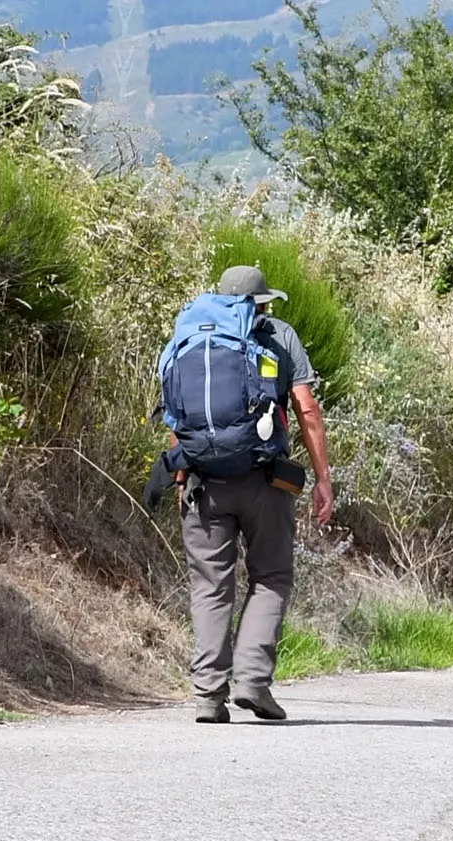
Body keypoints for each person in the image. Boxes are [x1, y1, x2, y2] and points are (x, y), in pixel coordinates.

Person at [152, 266, 335, 724]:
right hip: (263, 479)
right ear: (263, 302)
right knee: (271, 575)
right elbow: (306, 409)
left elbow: (177, 414)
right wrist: (322, 478)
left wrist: (181, 476)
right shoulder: (279, 335)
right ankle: (253, 683)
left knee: (210, 586)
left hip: (202, 480)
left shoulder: (193, 331)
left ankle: (208, 697)